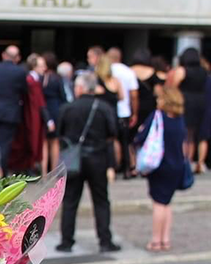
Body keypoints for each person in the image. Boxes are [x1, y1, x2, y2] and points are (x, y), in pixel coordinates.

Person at [56, 72, 121, 253]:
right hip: (97, 157)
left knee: (70, 201)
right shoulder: (104, 107)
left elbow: (60, 133)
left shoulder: (67, 108)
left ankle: (66, 241)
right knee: (101, 200)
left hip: (73, 159)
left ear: (79, 88)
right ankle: (105, 240)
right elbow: (112, 132)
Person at [135, 86, 186, 251]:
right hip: (177, 165)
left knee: (158, 203)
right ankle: (166, 239)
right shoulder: (180, 120)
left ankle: (156, 240)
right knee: (167, 202)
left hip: (159, 165)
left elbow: (140, 138)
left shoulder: (158, 117)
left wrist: (140, 132)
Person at [168, 47, 207, 173]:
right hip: (200, 102)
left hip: (185, 102)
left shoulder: (182, 70)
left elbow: (172, 88)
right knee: (192, 134)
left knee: (183, 133)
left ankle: (182, 160)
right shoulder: (203, 71)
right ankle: (189, 161)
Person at [107, 48, 140, 178]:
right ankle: (127, 168)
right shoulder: (128, 71)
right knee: (126, 141)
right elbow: (134, 95)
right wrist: (134, 112)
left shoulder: (107, 72)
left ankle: (114, 167)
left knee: (113, 139)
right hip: (125, 111)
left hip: (111, 110)